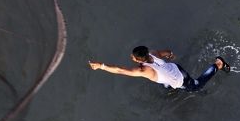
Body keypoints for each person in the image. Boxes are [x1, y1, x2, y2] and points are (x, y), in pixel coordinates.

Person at [89, 45, 229, 91]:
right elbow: (167, 52)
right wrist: (171, 55)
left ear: (138, 59)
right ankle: (169, 86)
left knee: (197, 86)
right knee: (166, 85)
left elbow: (120, 70)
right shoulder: (152, 54)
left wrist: (101, 66)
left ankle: (219, 64)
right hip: (176, 68)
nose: (131, 58)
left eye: (133, 57)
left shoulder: (143, 71)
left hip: (180, 79)